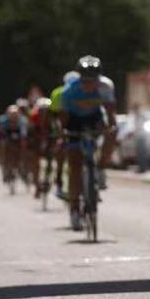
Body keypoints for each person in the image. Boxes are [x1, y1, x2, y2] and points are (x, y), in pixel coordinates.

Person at [59, 56, 115, 231]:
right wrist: (64, 134)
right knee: (75, 165)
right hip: (74, 120)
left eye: (93, 80)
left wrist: (110, 129)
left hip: (94, 118)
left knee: (112, 132)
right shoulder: (69, 92)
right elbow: (64, 120)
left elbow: (110, 113)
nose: (89, 84)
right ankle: (74, 208)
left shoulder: (106, 87)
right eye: (85, 80)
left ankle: (100, 168)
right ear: (79, 78)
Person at [50, 71, 80, 199]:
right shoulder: (58, 93)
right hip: (61, 120)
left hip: (77, 120)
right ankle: (58, 178)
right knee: (61, 150)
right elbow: (54, 116)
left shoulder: (83, 92)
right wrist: (59, 133)